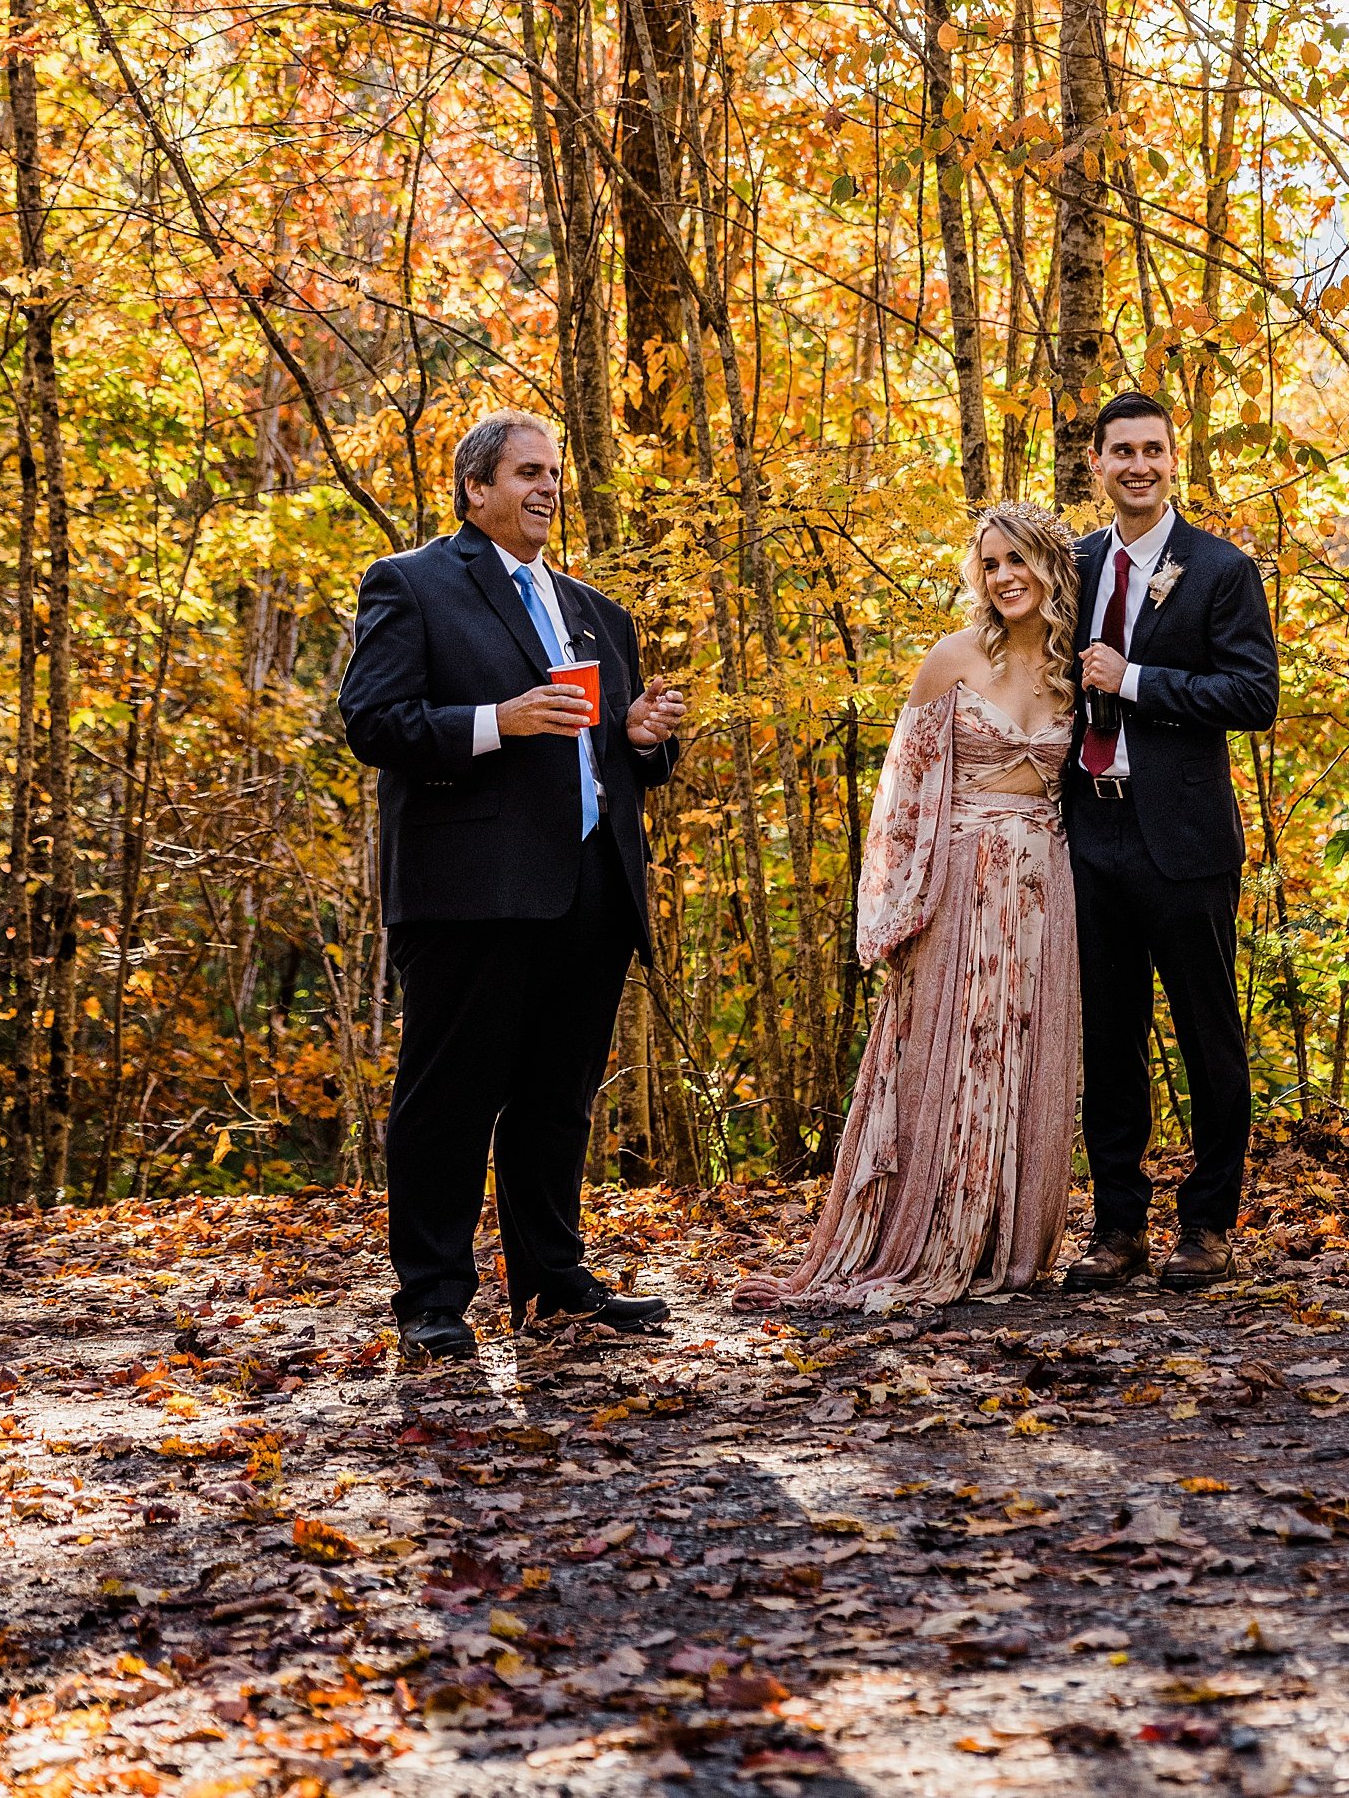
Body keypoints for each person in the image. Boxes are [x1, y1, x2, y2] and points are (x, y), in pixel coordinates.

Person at [340, 412, 685, 1362]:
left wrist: (645, 737)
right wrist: (501, 719)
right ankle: (433, 1298)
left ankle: (553, 1282)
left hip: (591, 885)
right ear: (475, 489)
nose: (547, 489)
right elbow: (373, 722)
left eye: (556, 475)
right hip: (470, 889)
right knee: (449, 1097)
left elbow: (610, 751)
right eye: (528, 473)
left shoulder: (595, 612)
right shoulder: (410, 585)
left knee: (557, 1098)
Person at [737, 505, 1081, 1308]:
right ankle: (930, 1232)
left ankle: (1004, 1240)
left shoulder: (1080, 671)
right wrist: (897, 910)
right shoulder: (950, 660)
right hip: (959, 879)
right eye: (991, 563)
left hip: (1044, 885)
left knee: (1028, 1055)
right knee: (952, 1054)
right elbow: (905, 794)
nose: (1005, 577)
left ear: (1051, 570)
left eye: (1020, 560)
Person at [1061, 393, 1279, 1293]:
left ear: (1172, 459)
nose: (1138, 465)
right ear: (1097, 463)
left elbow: (1253, 697)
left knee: (1207, 1035)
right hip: (1086, 829)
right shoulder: (1069, 567)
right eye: (1122, 452)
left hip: (1184, 839)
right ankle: (1117, 1228)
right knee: (1107, 1041)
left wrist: (1139, 678)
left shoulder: (1220, 570)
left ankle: (1209, 1226)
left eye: (1152, 449)